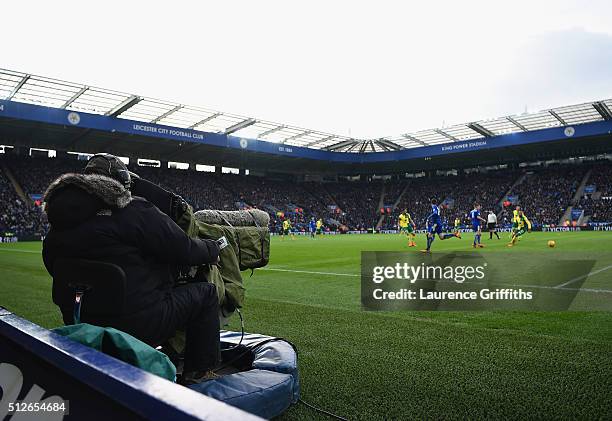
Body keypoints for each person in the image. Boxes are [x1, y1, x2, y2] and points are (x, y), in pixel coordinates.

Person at [42, 153, 222, 384]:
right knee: (206, 293)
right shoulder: (133, 209)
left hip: (81, 320)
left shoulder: (58, 223)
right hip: (137, 325)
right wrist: (212, 249)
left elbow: (53, 267)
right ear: (122, 182)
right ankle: (200, 374)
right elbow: (184, 250)